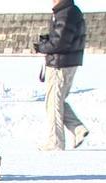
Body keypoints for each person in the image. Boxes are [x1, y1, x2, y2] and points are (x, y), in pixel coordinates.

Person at [34, 0, 89, 151]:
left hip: (61, 64)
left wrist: (42, 47)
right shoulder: (68, 11)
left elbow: (61, 42)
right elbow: (62, 37)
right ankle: (77, 128)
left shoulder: (66, 12)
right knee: (56, 101)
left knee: (53, 103)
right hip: (67, 62)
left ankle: (55, 142)